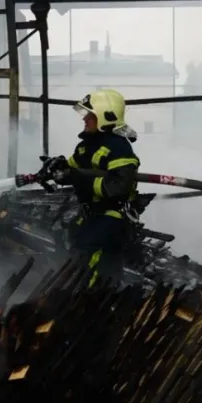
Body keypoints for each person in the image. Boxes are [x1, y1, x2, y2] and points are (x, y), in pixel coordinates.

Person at [39, 88, 141, 287]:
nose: (84, 120)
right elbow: (72, 171)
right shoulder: (86, 146)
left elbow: (118, 188)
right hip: (92, 215)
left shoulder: (119, 148)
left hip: (112, 218)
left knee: (91, 259)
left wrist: (78, 179)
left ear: (105, 117)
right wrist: (58, 168)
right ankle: (93, 297)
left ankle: (90, 298)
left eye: (89, 115)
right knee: (73, 246)